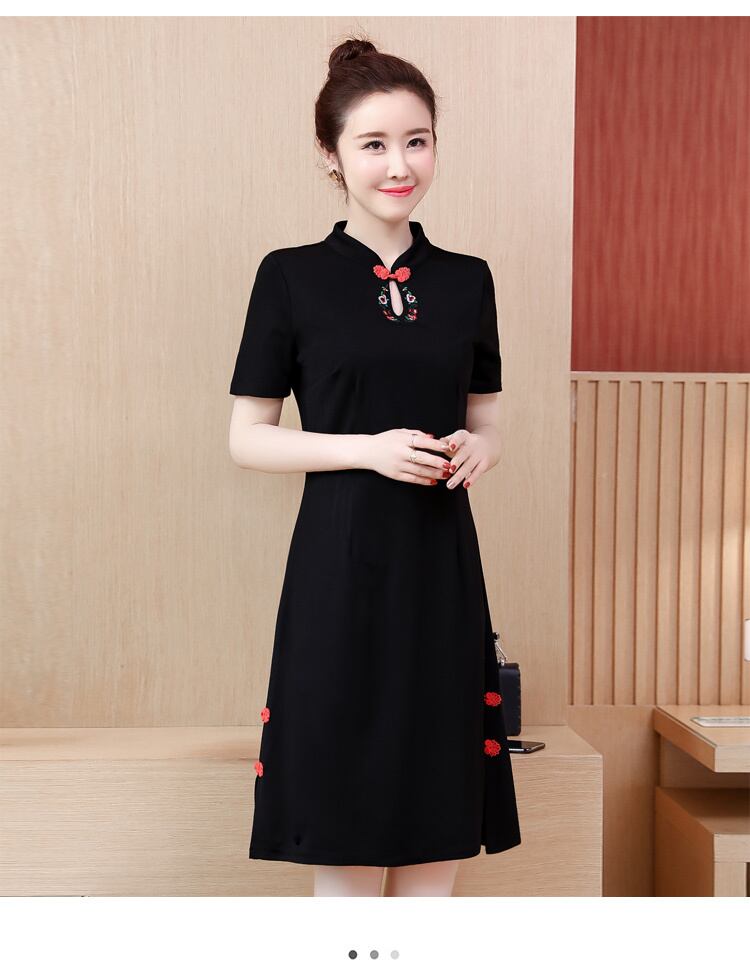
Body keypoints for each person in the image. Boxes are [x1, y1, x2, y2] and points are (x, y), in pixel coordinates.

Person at [228, 35, 521, 897]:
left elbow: (487, 419)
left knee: (438, 824)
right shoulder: (290, 278)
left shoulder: (468, 280)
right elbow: (248, 436)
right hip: (339, 571)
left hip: (442, 573)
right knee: (346, 826)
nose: (400, 164)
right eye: (374, 143)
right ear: (332, 153)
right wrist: (366, 449)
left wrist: (481, 447)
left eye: (417, 141)